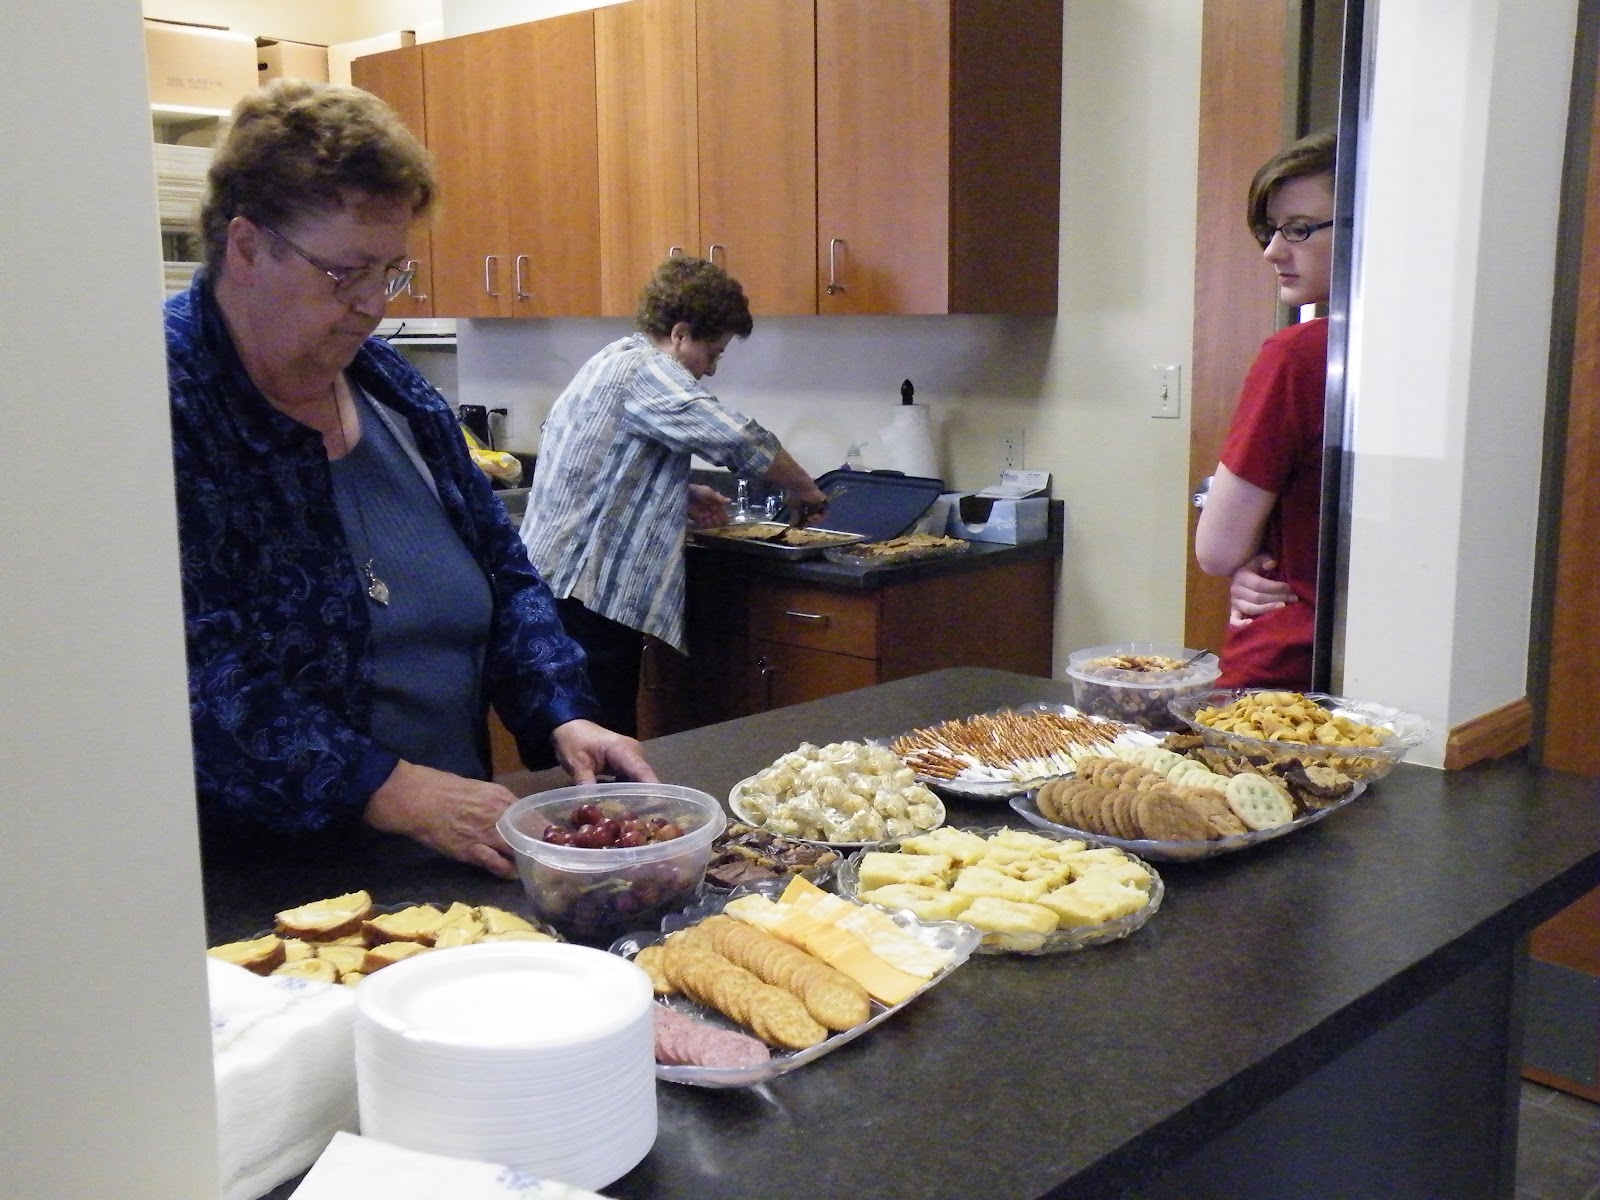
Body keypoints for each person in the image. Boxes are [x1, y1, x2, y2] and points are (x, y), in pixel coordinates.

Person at [167, 79, 654, 880]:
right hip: (264, 891)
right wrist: (390, 791)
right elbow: (191, 677)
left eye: (389, 273)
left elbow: (504, 573)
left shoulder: (391, 387)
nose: (373, 307)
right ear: (248, 247)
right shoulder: (160, 404)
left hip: (450, 858)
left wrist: (562, 714)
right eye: (346, 272)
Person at [519, 257, 827, 736]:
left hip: (556, 585)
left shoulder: (613, 357)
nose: (711, 370)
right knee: (599, 748)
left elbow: (594, 458)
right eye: (714, 353)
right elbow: (737, 438)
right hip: (584, 592)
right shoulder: (648, 371)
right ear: (681, 333)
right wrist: (804, 487)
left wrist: (675, 491)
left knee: (574, 739)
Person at [1193, 130, 1337, 689]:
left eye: (1299, 229)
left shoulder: (1299, 354)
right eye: (1270, 231)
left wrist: (1245, 553)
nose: (1274, 251)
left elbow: (1217, 547)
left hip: (1286, 665)